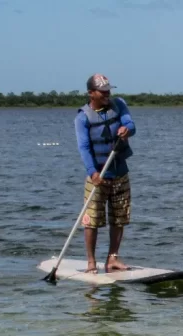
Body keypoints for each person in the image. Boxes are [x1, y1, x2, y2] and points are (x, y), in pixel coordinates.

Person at [75, 73, 136, 273]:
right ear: (91, 93)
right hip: (97, 176)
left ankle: (112, 258)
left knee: (119, 218)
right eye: (103, 92)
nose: (107, 94)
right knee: (91, 221)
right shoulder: (82, 117)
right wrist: (93, 172)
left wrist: (126, 128)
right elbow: (84, 148)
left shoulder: (119, 105)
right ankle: (91, 262)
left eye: (108, 91)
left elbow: (131, 124)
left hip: (119, 172)